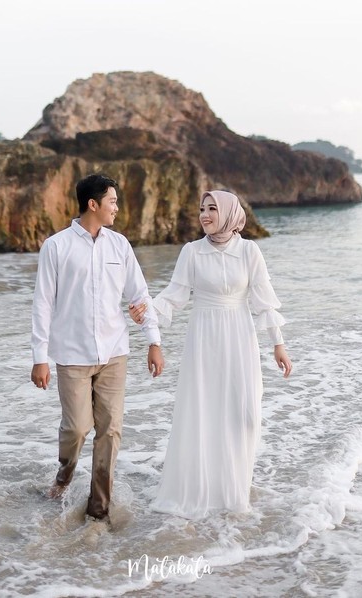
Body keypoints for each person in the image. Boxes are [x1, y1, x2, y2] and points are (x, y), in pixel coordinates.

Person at [131, 189, 292, 519]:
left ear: (231, 214)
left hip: (239, 336)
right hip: (203, 337)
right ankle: (201, 490)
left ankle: (233, 490)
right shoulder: (191, 252)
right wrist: (146, 316)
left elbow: (263, 300)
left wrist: (278, 344)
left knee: (245, 414)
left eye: (213, 208)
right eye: (202, 208)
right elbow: (174, 296)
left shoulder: (249, 251)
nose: (205, 214)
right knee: (202, 411)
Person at [30, 174, 164, 521]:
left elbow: (139, 295)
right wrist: (39, 358)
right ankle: (65, 474)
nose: (117, 208)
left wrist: (153, 340)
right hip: (71, 356)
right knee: (76, 428)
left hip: (115, 353)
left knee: (111, 431)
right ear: (94, 204)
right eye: (113, 202)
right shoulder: (56, 247)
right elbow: (42, 304)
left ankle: (98, 509)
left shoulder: (120, 246)